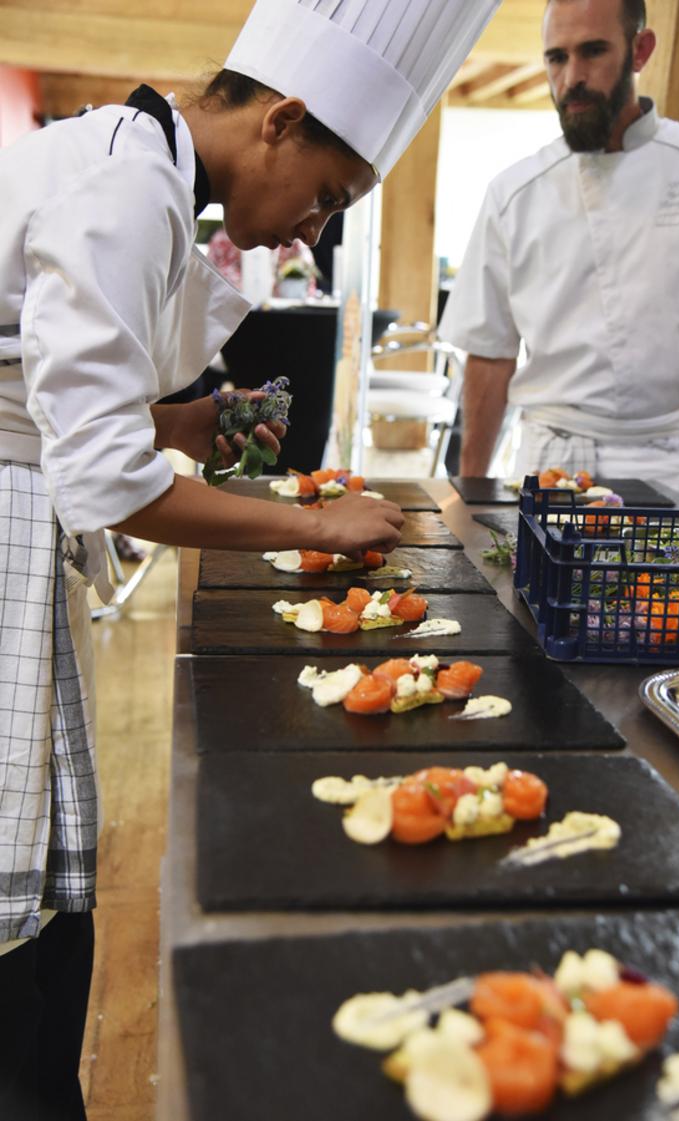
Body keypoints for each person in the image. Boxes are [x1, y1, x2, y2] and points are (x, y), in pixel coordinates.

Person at [0, 0, 503, 1116]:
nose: (314, 232)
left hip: (23, 513)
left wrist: (205, 429)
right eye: (328, 196)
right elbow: (106, 483)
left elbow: (74, 394)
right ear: (280, 120)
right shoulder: (129, 188)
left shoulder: (148, 168)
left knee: (40, 894)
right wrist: (317, 524)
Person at [439, 0, 679, 508]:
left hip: (675, 462)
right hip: (553, 463)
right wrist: (471, 496)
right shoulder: (513, 193)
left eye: (593, 52)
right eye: (556, 58)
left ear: (640, 50)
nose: (572, 77)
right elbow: (490, 354)